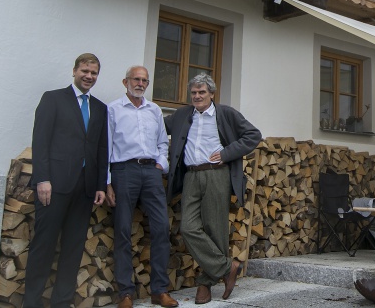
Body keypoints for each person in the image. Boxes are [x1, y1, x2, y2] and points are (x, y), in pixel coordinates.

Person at [165, 74, 262, 305]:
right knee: (188, 227)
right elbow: (156, 125)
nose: (197, 97)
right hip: (191, 176)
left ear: (211, 94)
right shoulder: (181, 115)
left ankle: (205, 284)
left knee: (215, 229)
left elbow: (253, 135)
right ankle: (228, 267)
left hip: (217, 174)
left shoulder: (226, 113)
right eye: (194, 93)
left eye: (201, 92)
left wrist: (227, 153)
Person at [24, 53, 108, 308]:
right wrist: (43, 179)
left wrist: (100, 185)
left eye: (93, 73)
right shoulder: (53, 99)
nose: (89, 76)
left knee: (73, 249)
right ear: (74, 71)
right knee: (44, 246)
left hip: (84, 189)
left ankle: (61, 302)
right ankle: (32, 302)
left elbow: (101, 148)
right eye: (85, 71)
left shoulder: (100, 108)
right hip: (54, 186)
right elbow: (40, 141)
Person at [106, 66, 178, 308]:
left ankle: (159, 290)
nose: (140, 83)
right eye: (136, 79)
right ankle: (126, 293)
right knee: (123, 230)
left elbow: (161, 142)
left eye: (144, 80)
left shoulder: (154, 109)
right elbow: (105, 146)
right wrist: (107, 181)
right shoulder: (113, 109)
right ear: (125, 81)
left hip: (151, 172)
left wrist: (162, 164)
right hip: (123, 171)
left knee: (161, 228)